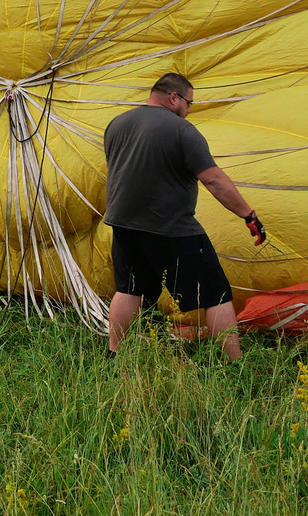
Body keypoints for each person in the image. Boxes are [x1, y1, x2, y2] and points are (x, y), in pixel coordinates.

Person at [103, 72, 266, 360]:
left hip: (124, 223)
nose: (188, 110)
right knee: (216, 293)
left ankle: (114, 355)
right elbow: (214, 180)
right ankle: (235, 365)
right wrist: (248, 215)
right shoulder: (182, 130)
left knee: (128, 288)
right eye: (189, 103)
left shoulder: (117, 124)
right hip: (171, 227)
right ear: (173, 97)